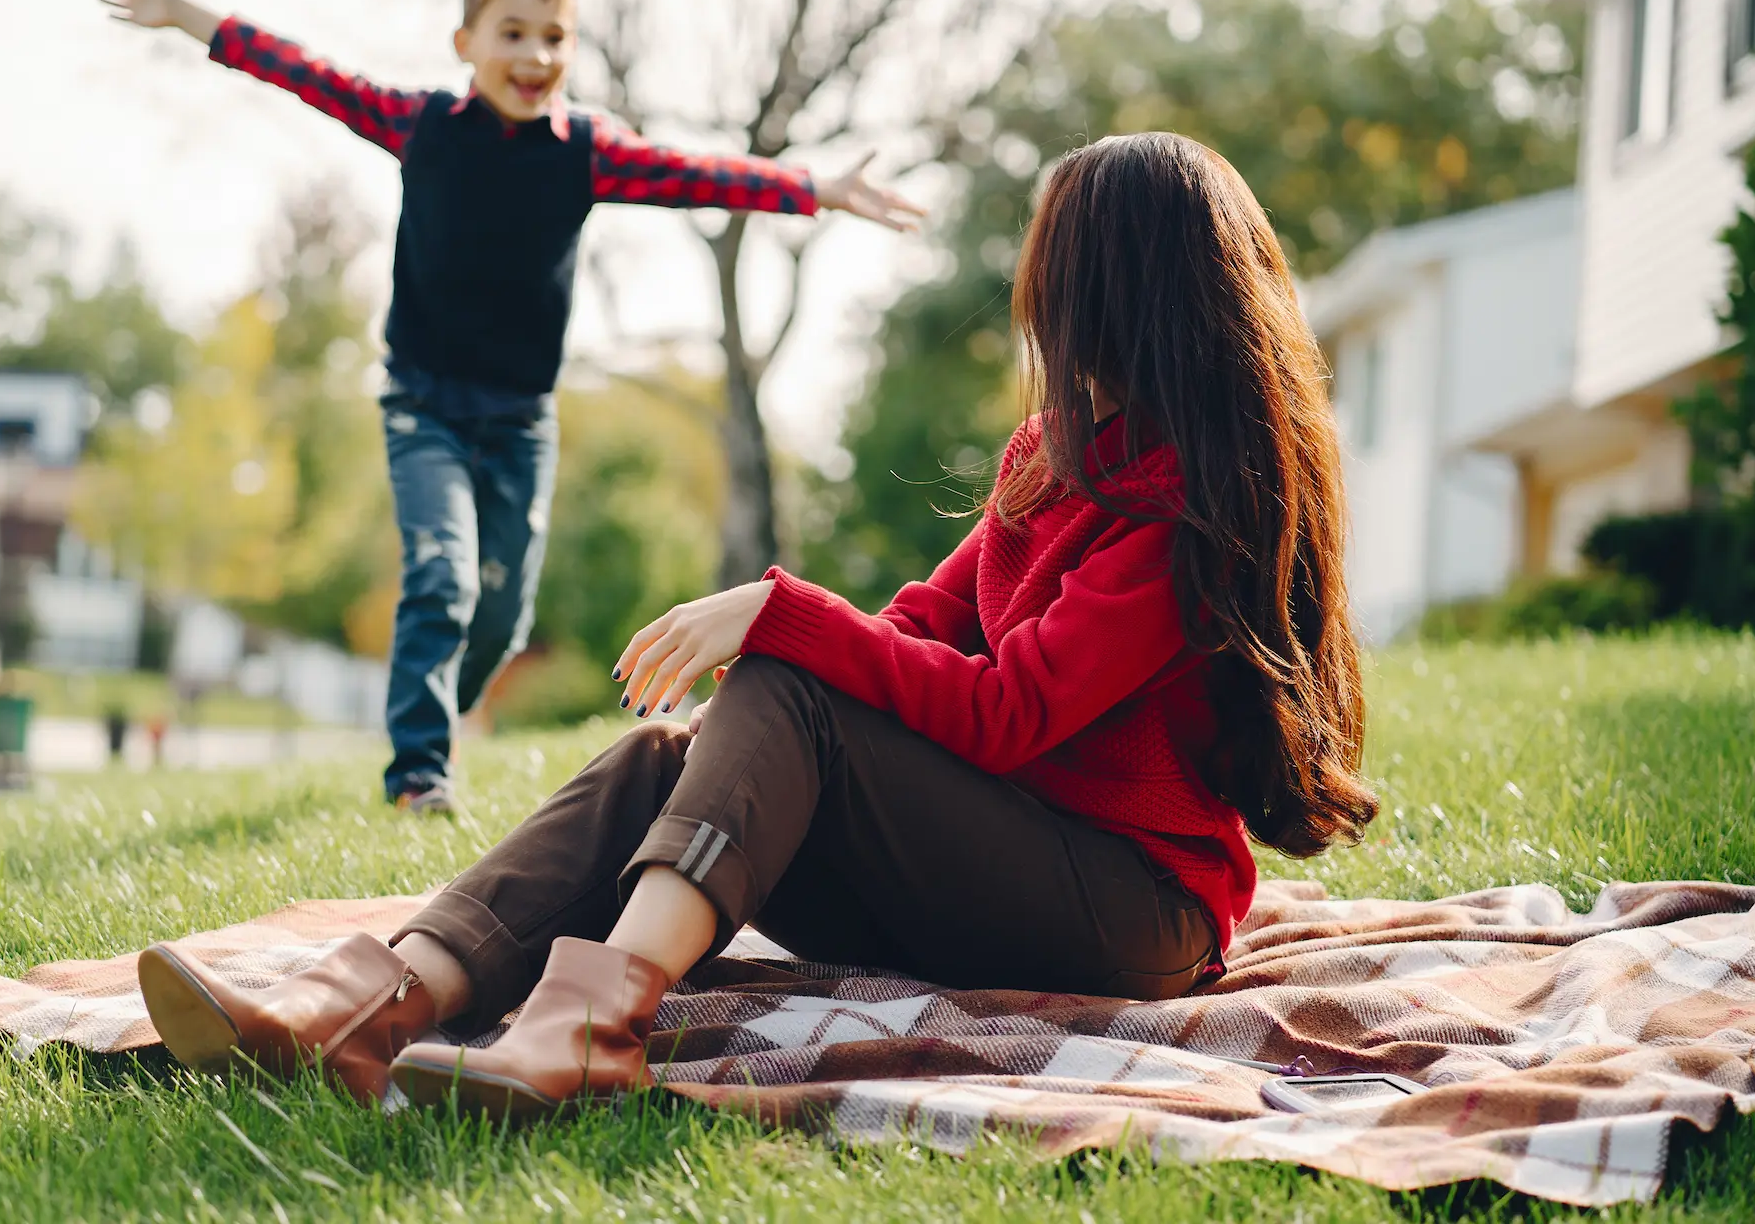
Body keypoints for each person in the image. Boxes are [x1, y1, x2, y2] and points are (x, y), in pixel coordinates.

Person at [135, 132, 1379, 1120]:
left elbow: (1009, 713)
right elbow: (923, 626)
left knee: (793, 679)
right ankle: (369, 1006)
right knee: (659, 758)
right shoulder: (1051, 459)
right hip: (995, 866)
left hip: (1127, 907)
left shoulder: (1190, 518)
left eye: (1049, 269)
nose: (1032, 297)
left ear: (1110, 294)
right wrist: (788, 670)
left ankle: (588, 1027)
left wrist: (778, 619)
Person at [97, 0, 923, 816]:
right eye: (513, 34)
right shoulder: (422, 125)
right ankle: (419, 774)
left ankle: (437, 712)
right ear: (466, 40)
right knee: (442, 576)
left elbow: (701, 174)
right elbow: (308, 74)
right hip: (424, 407)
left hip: (521, 420)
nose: (535, 55)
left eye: (555, 36)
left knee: (500, 617)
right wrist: (189, 17)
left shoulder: (585, 153)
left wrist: (818, 189)